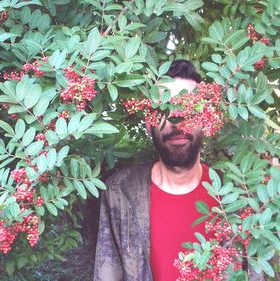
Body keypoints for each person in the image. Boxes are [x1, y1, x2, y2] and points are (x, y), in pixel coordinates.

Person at [93, 60, 219, 281]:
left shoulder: (234, 196)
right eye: (164, 108)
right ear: (148, 123)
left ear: (206, 119)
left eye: (189, 107)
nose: (177, 120)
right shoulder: (119, 192)